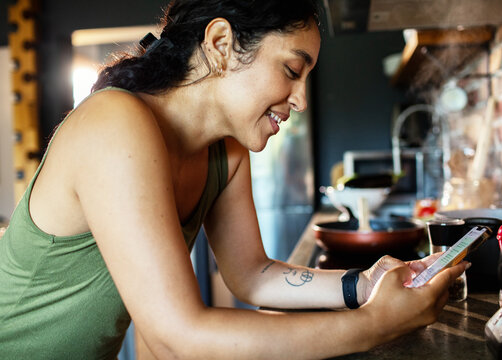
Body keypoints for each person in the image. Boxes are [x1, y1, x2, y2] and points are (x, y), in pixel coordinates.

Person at [0, 0, 469, 359]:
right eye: (292, 70)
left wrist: (363, 286)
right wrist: (375, 325)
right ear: (221, 45)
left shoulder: (227, 151)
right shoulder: (114, 122)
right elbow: (176, 334)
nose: (300, 99)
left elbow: (253, 276)